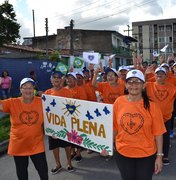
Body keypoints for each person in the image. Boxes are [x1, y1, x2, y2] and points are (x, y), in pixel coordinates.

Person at [113, 69, 166, 180]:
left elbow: (158, 133)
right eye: (130, 82)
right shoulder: (119, 102)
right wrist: (106, 145)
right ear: (126, 85)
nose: (134, 85)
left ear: (143, 85)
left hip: (146, 155)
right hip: (123, 153)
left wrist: (159, 157)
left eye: (137, 81)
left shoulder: (153, 106)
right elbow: (114, 127)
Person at [0, 78, 48, 180]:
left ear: (34, 89)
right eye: (25, 87)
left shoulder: (42, 102)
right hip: (19, 146)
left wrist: (54, 130)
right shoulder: (12, 102)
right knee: (22, 174)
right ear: (20, 89)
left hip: (36, 144)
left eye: (30, 87)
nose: (28, 90)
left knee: (43, 172)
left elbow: (57, 109)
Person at [44, 71, 75, 174]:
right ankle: (58, 164)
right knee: (54, 146)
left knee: (67, 145)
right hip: (52, 124)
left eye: (58, 77)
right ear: (51, 80)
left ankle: (69, 163)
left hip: (65, 123)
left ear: (61, 80)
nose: (56, 79)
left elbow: (72, 108)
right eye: (54, 77)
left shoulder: (67, 92)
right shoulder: (47, 93)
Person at [146, 67, 176, 165]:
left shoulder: (172, 87)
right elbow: (136, 86)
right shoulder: (149, 85)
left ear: (166, 76)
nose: (159, 75)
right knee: (152, 137)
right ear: (154, 75)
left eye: (162, 73)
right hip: (152, 118)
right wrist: (145, 75)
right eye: (157, 73)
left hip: (166, 118)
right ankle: (152, 154)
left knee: (165, 138)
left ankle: (165, 156)